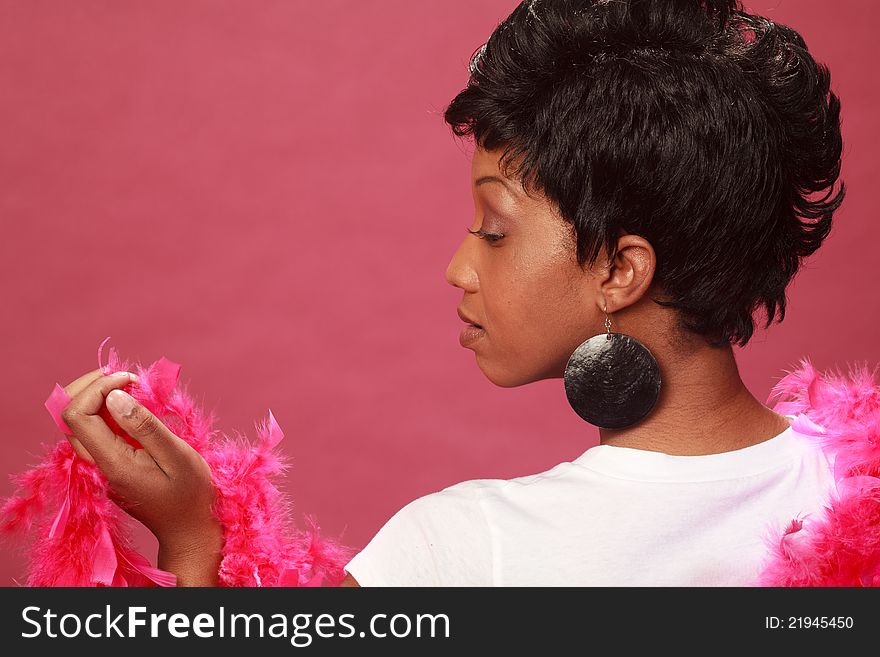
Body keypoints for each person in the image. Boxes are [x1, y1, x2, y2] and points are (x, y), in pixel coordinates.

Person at [58, 0, 846, 586]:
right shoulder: (854, 491)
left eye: (494, 229)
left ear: (620, 270)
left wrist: (195, 540)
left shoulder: (463, 554)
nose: (460, 268)